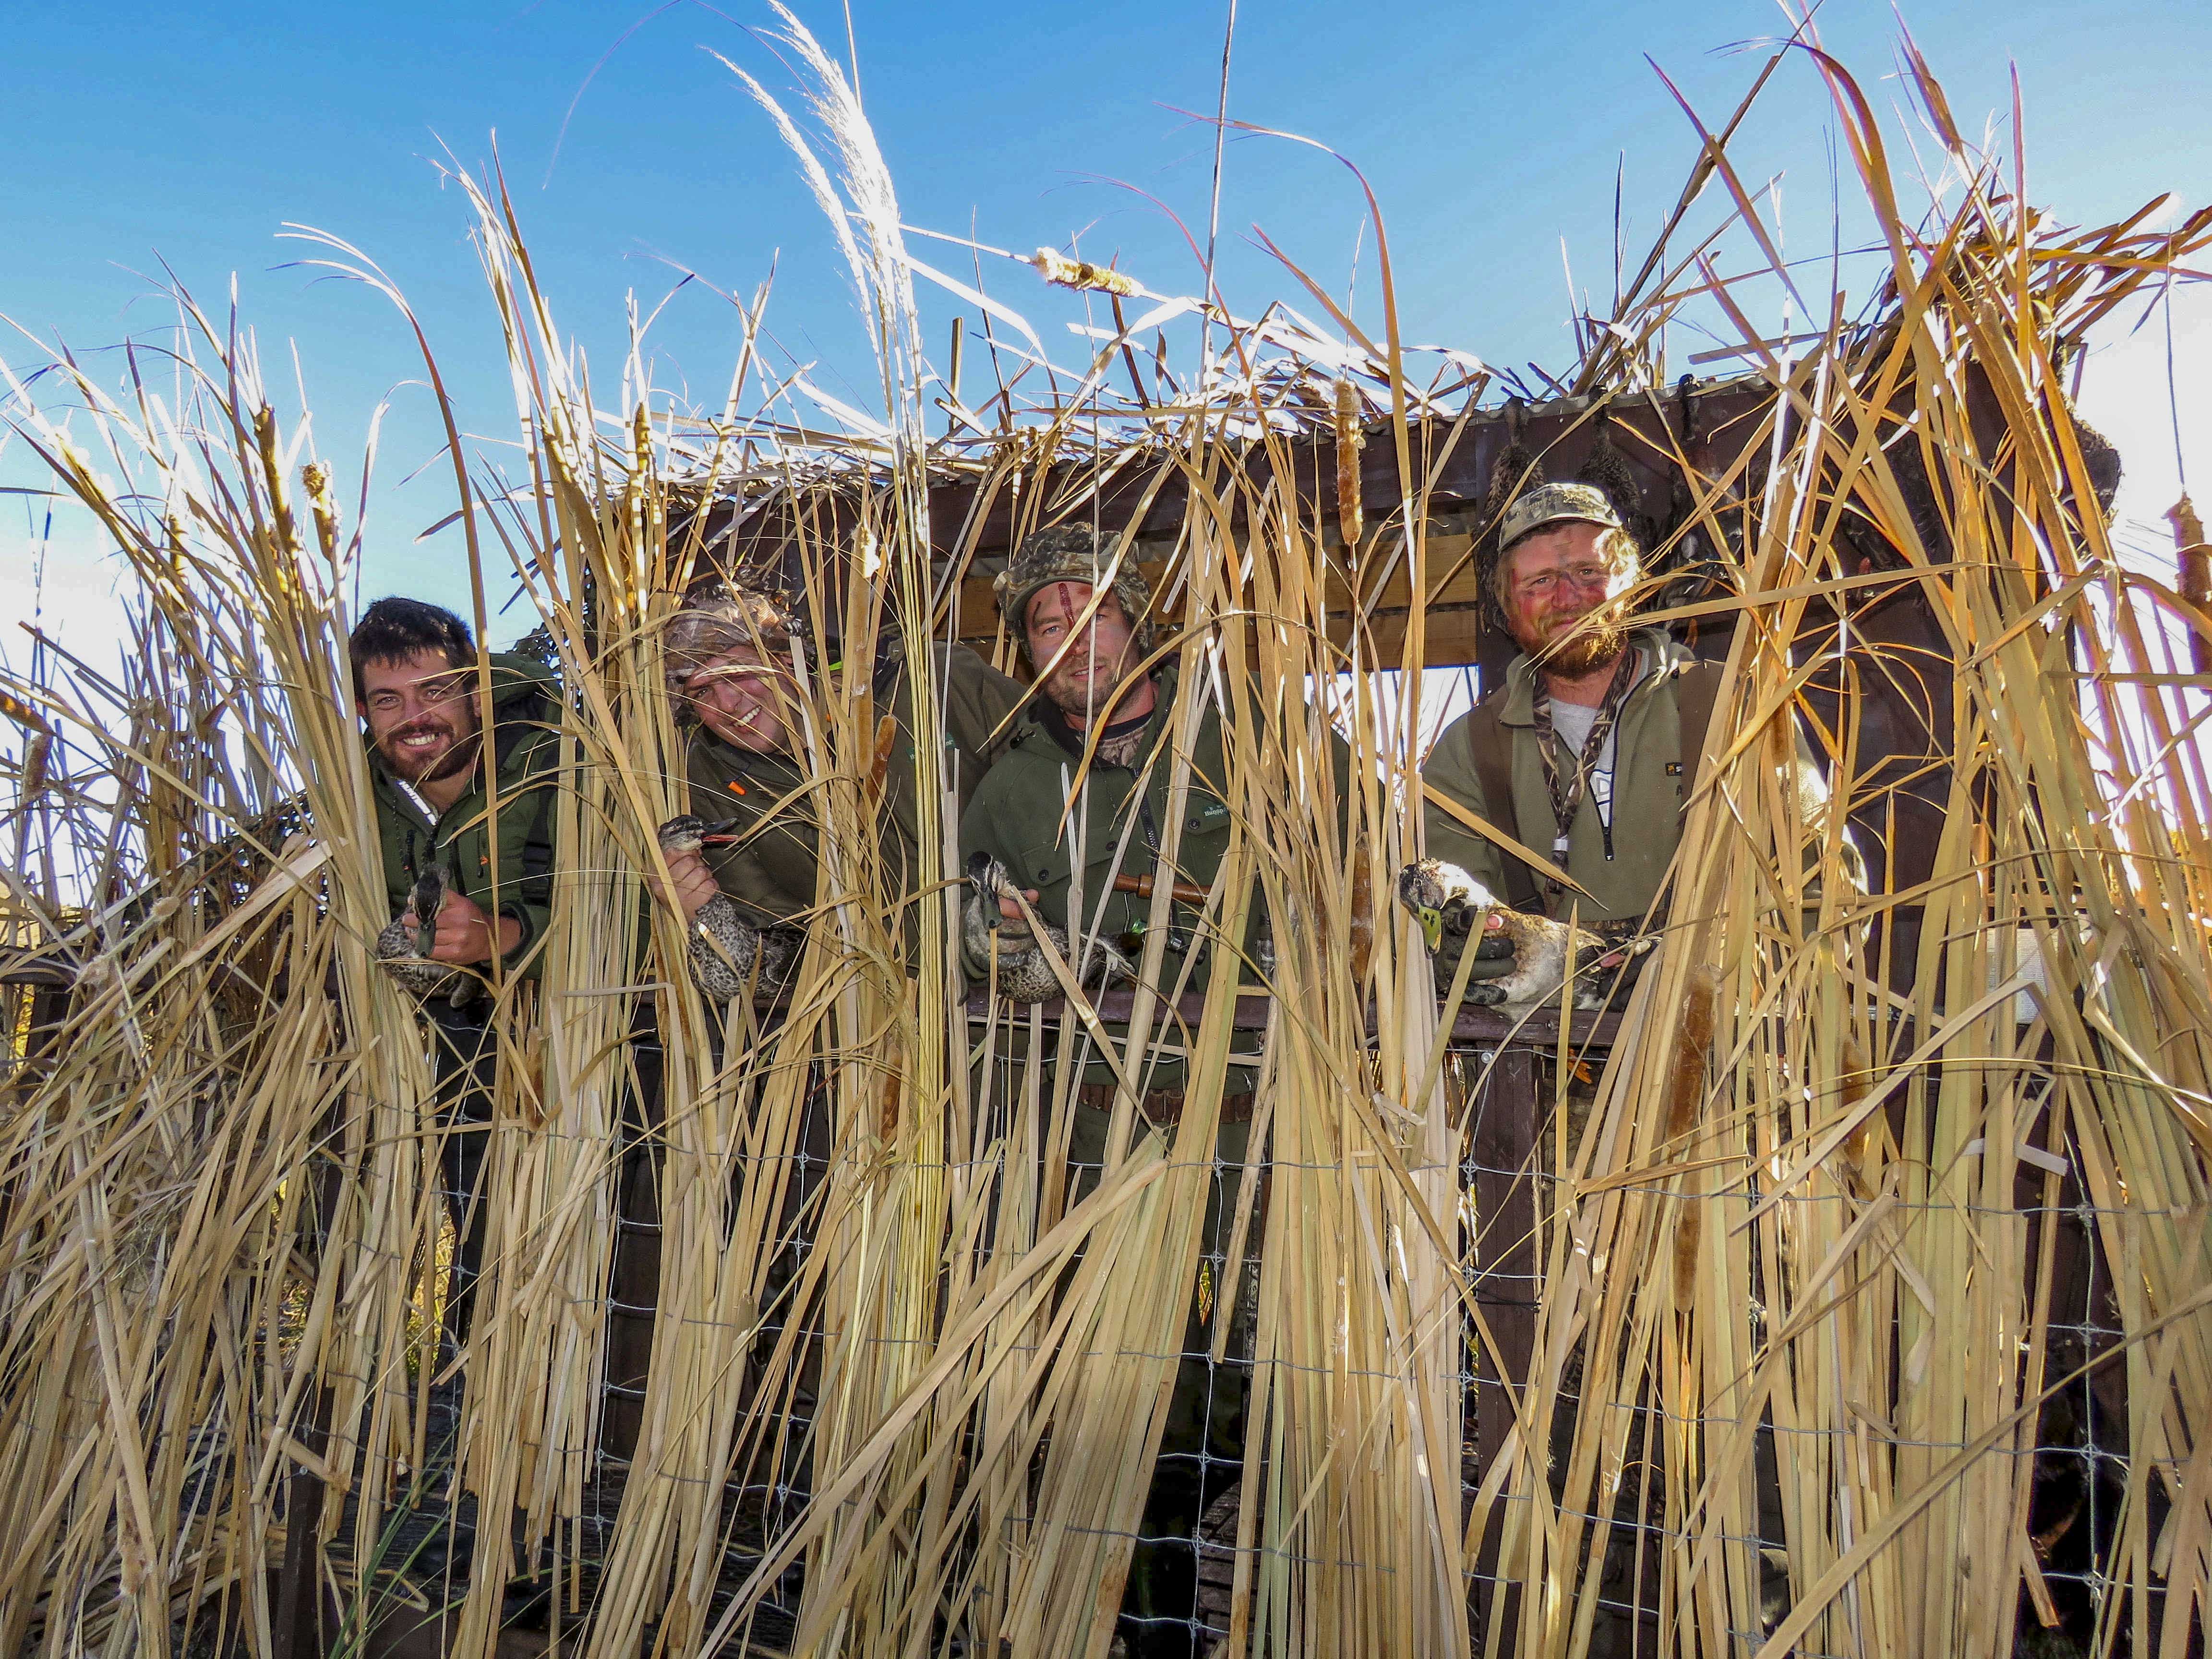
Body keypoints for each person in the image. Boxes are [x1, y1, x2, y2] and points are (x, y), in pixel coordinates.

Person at [958, 524, 1349, 1655]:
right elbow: (968, 929)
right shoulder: (1015, 783)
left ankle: (1291, 1614)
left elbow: (1363, 873)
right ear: (1028, 647)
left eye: (1096, 606)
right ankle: (1151, 1617)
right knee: (1130, 1384)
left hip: (1265, 1136)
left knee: (1285, 1370)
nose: (1073, 632)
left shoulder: (1257, 742)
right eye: (1045, 618)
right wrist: (1022, 950)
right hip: (1097, 1139)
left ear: (1139, 620)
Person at [1417, 481, 1854, 985]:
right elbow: (1447, 911)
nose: (1568, 598)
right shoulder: (1469, 752)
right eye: (1540, 582)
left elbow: (1825, 894)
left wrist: (1710, 972)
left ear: (1632, 584)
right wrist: (1463, 952)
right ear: (1507, 607)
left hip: (1715, 1035)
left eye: (1589, 572)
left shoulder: (1732, 708)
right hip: (1543, 1049)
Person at [355, 596, 562, 1347]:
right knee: (469, 1233)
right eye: (388, 700)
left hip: (585, 1053)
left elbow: (634, 912)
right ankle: (446, 1397)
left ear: (474, 689)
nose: (416, 718)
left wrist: (505, 937)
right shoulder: (357, 796)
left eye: (436, 691)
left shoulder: (559, 755)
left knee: (574, 1259)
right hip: (438, 1055)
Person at [650, 577, 1028, 973]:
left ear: (781, 656)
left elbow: (1060, 780)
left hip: (1030, 1005)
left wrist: (1009, 915)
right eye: (702, 692)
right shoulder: (712, 778)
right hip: (873, 1014)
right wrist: (708, 918)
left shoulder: (932, 683)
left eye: (737, 671)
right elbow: (784, 942)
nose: (728, 702)